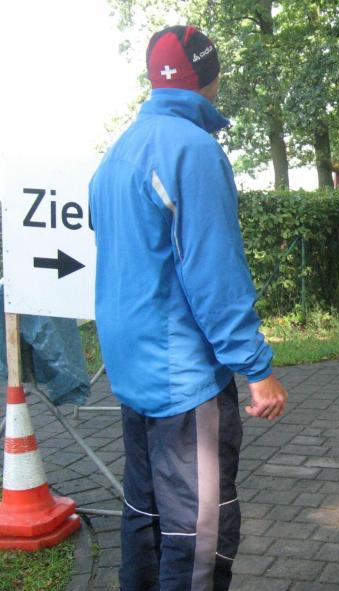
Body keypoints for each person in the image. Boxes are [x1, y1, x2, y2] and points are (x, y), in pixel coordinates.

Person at [89, 26, 288, 590]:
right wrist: (257, 369)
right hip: (184, 382)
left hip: (132, 372)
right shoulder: (194, 151)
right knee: (198, 536)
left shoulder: (117, 152)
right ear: (209, 78)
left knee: (145, 518)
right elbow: (214, 274)